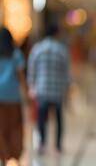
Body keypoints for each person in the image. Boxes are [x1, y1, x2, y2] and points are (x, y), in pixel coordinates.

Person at [27, 22, 72, 154]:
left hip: (42, 88)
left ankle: (42, 143)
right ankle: (58, 145)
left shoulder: (37, 48)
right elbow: (67, 73)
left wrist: (31, 85)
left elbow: (31, 68)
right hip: (57, 89)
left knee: (41, 117)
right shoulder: (62, 50)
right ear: (56, 34)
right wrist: (67, 89)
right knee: (58, 117)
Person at [0, 27, 26, 166]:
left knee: (1, 128)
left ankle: (3, 157)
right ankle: (14, 155)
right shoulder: (16, 54)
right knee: (15, 127)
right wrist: (25, 93)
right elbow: (21, 75)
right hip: (13, 97)